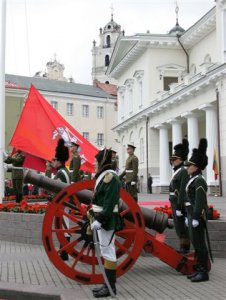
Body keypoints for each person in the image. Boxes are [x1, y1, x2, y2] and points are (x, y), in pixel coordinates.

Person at [89, 148, 123, 298]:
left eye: (96, 161)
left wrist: (100, 219)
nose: (94, 164)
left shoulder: (111, 178)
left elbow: (109, 203)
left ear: (102, 162)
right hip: (101, 218)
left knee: (108, 252)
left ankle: (110, 288)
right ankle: (107, 284)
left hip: (106, 220)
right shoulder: (104, 177)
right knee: (105, 251)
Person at [185, 138, 210, 282]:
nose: (188, 167)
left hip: (197, 215)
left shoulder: (199, 180)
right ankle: (199, 269)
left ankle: (203, 272)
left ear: (197, 167)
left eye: (190, 165)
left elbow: (200, 200)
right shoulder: (193, 178)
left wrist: (195, 217)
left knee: (200, 243)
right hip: (191, 214)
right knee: (196, 242)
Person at [169, 139, 190, 254]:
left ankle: (185, 248)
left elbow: (182, 190)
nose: (173, 162)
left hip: (178, 202)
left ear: (181, 160)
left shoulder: (183, 171)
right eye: (172, 160)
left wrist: (179, 206)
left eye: (175, 160)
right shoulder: (178, 171)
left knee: (182, 227)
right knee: (178, 226)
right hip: (174, 201)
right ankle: (183, 246)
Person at [52, 138, 71, 261]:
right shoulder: (64, 171)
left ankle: (64, 253)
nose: (53, 162)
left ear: (58, 161)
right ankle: (64, 251)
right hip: (66, 202)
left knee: (64, 227)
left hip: (63, 203)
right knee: (64, 226)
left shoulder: (60, 173)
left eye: (54, 160)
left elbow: (54, 187)